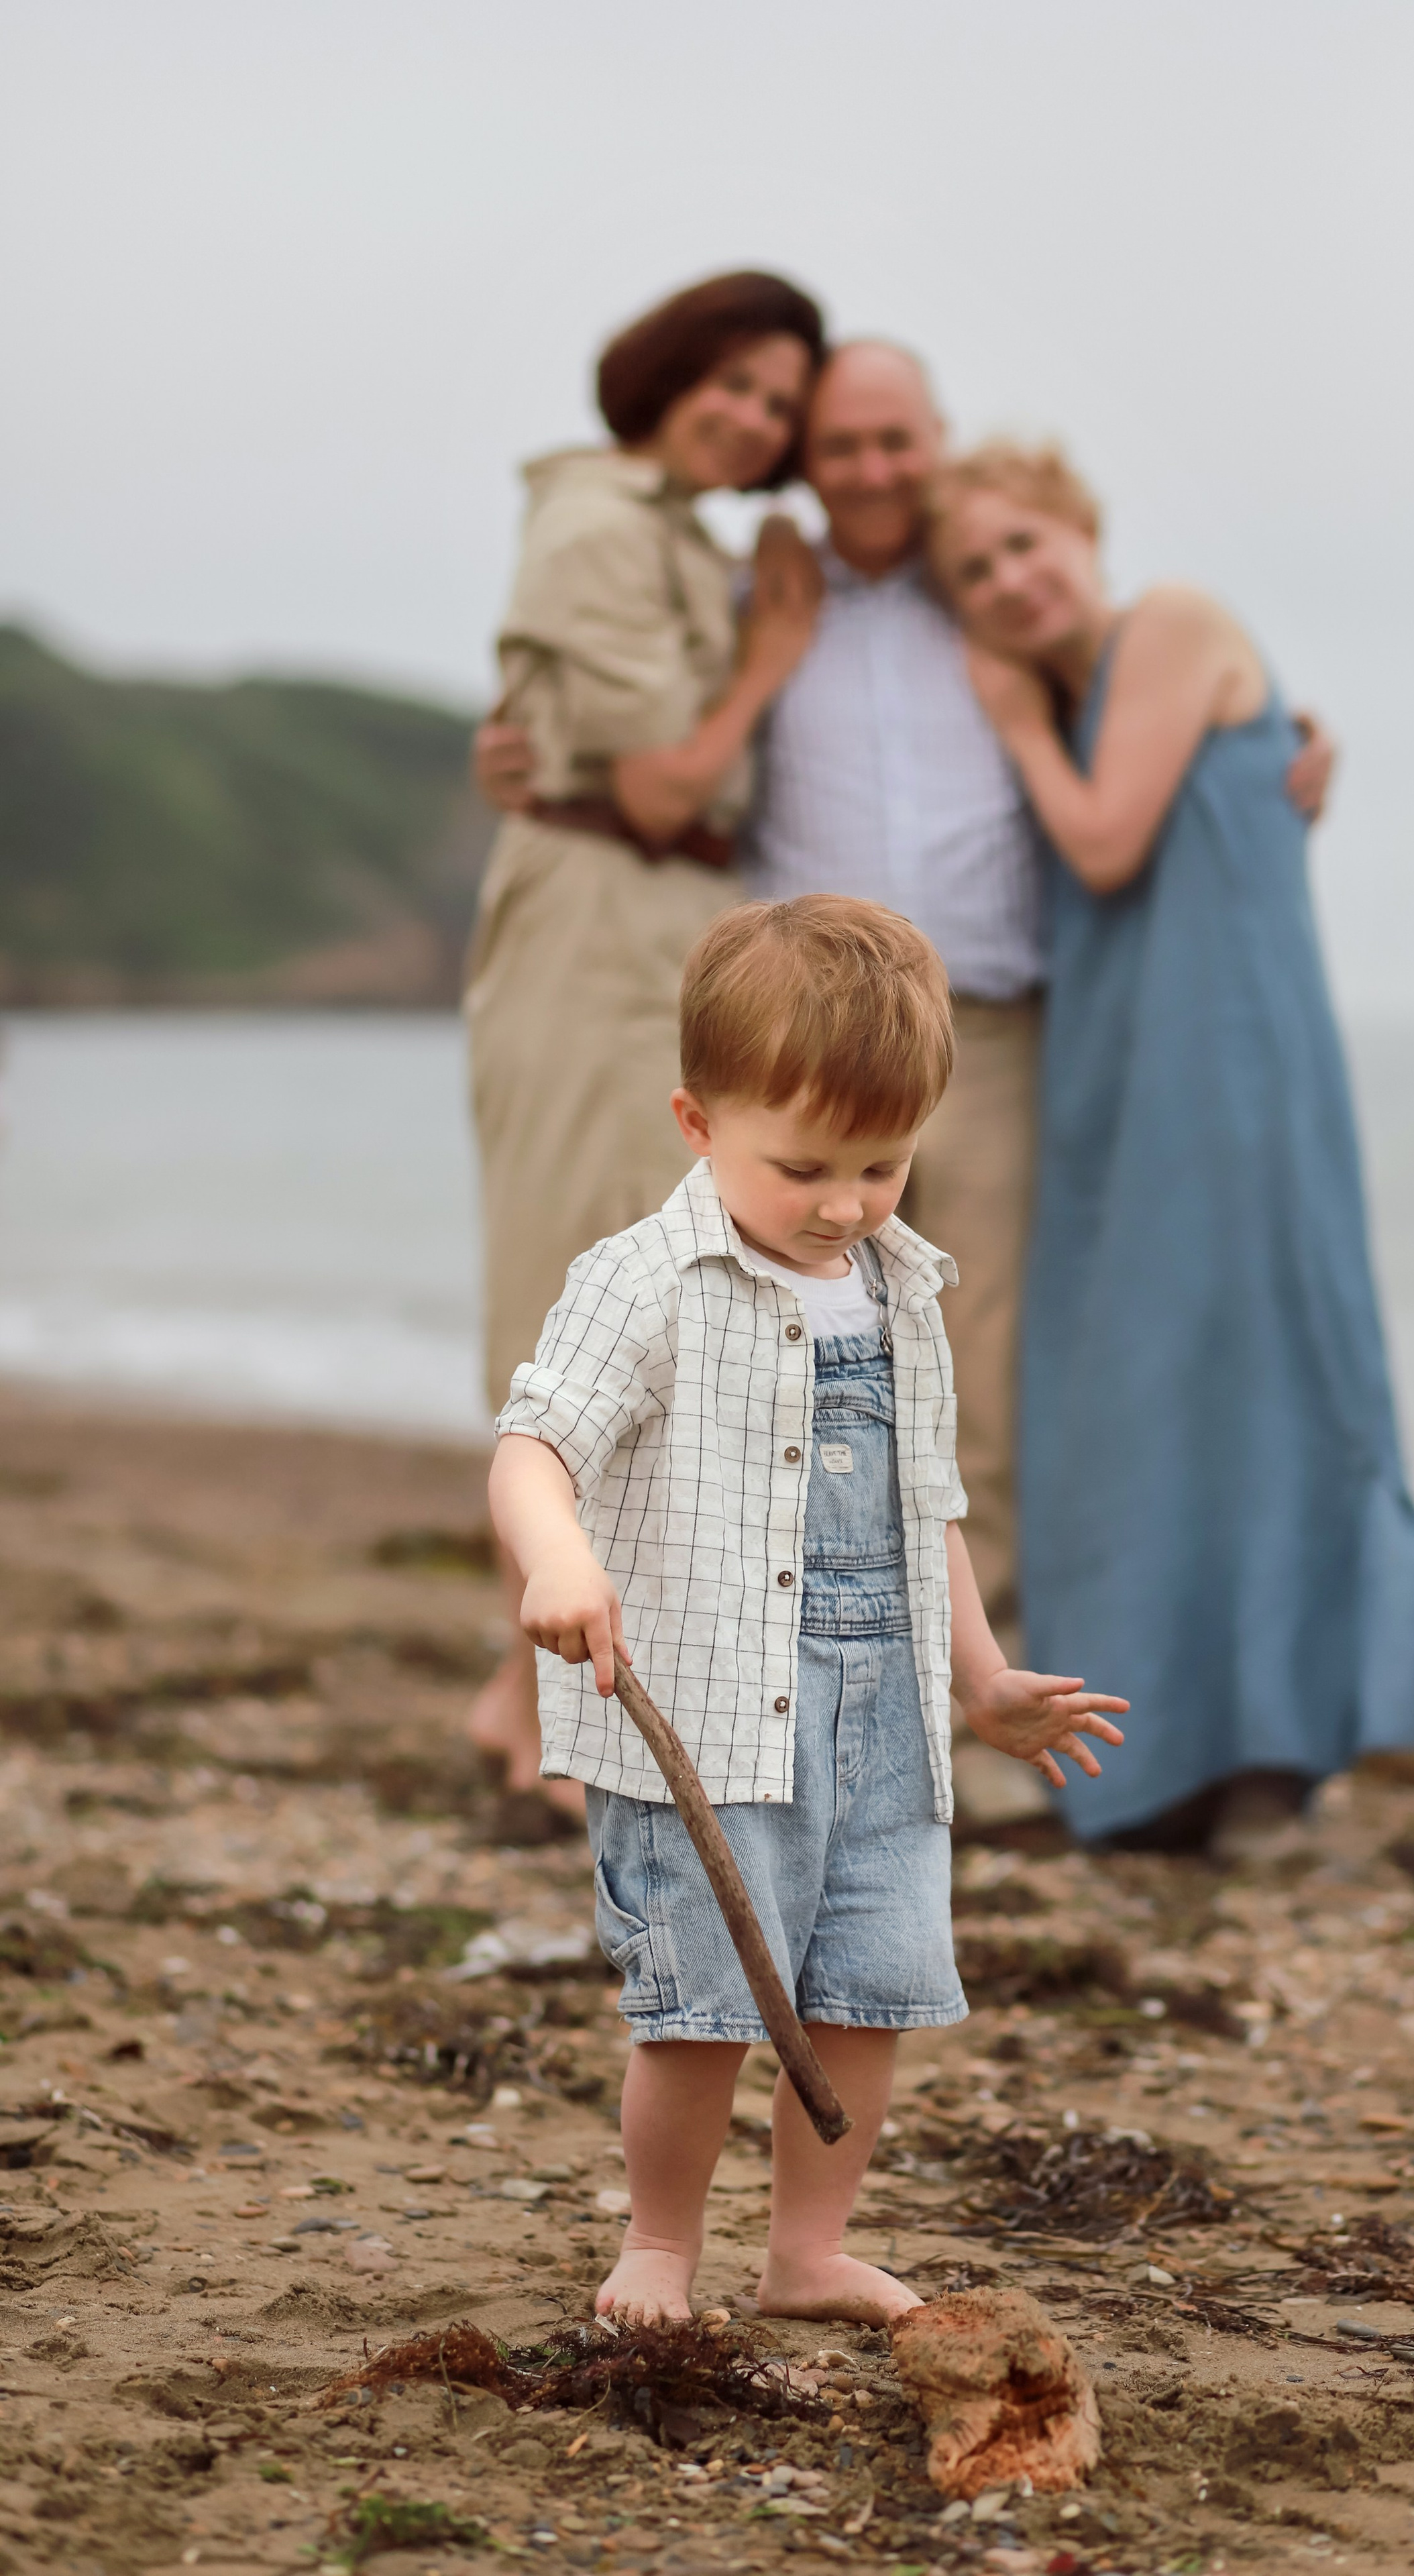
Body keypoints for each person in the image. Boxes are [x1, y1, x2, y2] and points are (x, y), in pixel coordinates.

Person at [473, 341, 1336, 1803]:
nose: (871, 471)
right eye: (844, 445)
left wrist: (1285, 737)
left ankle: (949, 1723)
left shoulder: (995, 602)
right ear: (808, 458)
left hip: (980, 1034)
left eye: (898, 444)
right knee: (715, 1363)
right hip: (794, 1047)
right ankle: (649, 1704)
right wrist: (524, 762)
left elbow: (1144, 689)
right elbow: (632, 731)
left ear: (932, 449)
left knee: (954, 1369)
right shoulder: (761, 598)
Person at [488, 896, 1126, 2324]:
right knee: (704, 2007)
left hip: (882, 1707)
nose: (844, 1203)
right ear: (694, 1120)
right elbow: (533, 1446)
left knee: (869, 1992)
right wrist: (556, 1560)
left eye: (882, 1165)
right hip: (706, 1711)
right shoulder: (643, 1281)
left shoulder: (902, 1288)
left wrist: (978, 1678)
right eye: (804, 1167)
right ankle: (659, 2244)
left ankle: (805, 2252)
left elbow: (925, 1509)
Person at [927, 442, 1414, 1862]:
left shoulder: (1167, 626)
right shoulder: (1081, 683)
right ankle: (1156, 1758)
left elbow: (1102, 843)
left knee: (1261, 1379)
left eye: (1025, 544)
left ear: (1081, 529)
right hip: (1110, 1066)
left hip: (1225, 1067)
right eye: (972, 573)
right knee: (1130, 1402)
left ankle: (1276, 1755)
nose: (1008, 581)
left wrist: (1012, 718)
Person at [463, 270, 826, 1815]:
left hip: (649, 918)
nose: (748, 419)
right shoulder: (605, 520)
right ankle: (538, 1697)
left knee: (648, 1283)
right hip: (598, 919)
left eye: (775, 405)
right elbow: (669, 789)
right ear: (665, 370)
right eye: (731, 382)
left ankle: (518, 1693)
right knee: (583, 1278)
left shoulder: (669, 530)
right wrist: (770, 654)